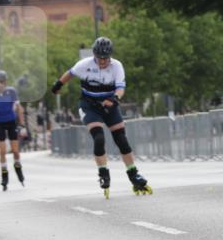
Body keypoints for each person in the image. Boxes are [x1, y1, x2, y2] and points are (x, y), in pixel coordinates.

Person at [50, 36, 151, 198]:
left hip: (109, 105)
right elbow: (69, 73)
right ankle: (103, 173)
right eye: (99, 58)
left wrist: (115, 99)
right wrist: (57, 85)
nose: (103, 61)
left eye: (106, 58)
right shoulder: (85, 64)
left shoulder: (117, 66)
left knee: (121, 140)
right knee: (99, 137)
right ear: (94, 55)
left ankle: (133, 174)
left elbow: (120, 88)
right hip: (89, 106)